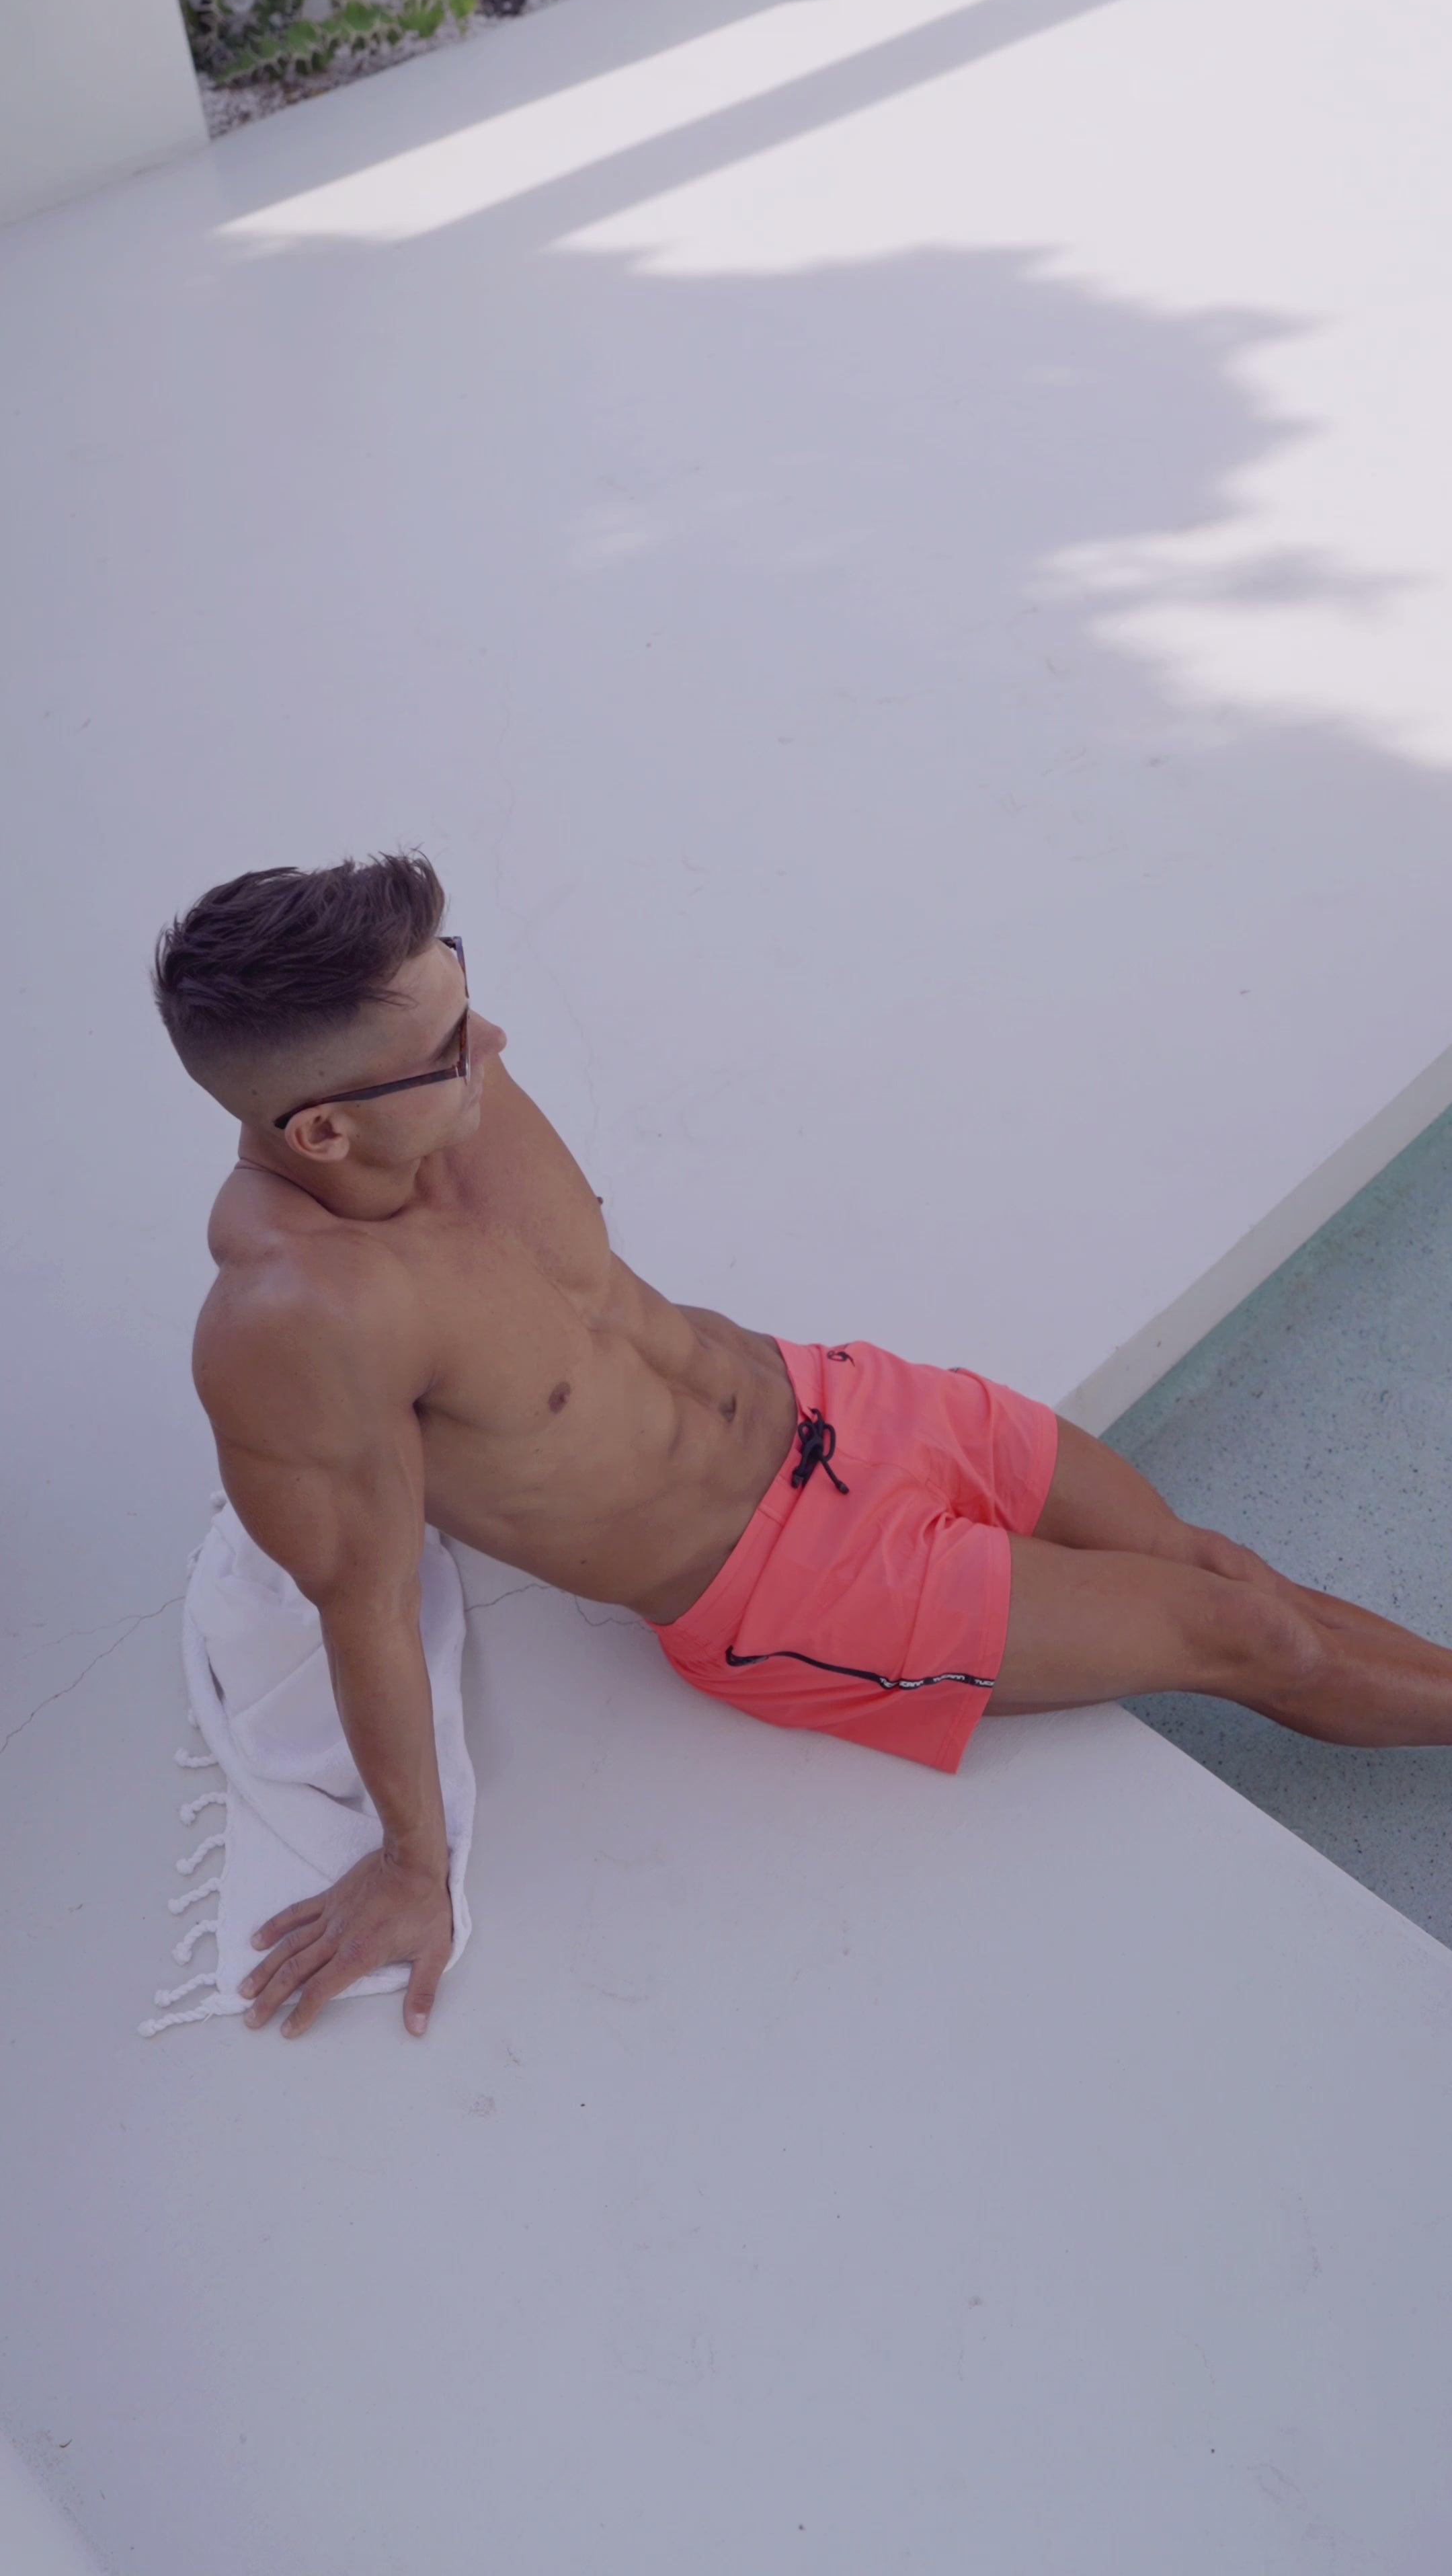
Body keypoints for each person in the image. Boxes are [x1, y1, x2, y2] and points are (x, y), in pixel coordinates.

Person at [153, 852, 1452, 2041]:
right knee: (1254, 1643)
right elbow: (363, 1602)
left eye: (467, 991)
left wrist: (443, 1056)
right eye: (448, 1042)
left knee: (1209, 1561)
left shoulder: (444, 1089)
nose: (491, 1039)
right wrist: (411, 1867)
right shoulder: (300, 1322)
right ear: (319, 1131)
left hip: (844, 1399)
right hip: (790, 1584)